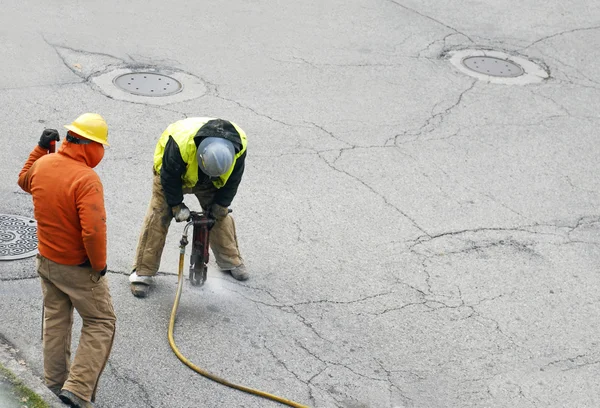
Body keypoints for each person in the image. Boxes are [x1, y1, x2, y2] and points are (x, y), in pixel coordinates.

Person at [17, 113, 115, 408]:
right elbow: (94, 230)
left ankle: (54, 383)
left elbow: (24, 180)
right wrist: (98, 265)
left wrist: (40, 148)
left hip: (46, 260)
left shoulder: (44, 164)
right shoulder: (86, 178)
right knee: (101, 321)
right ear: (88, 145)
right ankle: (77, 390)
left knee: (57, 320)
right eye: (101, 146)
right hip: (77, 268)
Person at [129, 117, 248, 298]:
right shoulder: (180, 144)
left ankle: (230, 260)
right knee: (159, 214)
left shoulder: (239, 146)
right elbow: (169, 178)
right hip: (174, 173)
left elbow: (233, 181)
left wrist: (221, 204)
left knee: (219, 215)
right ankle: (143, 272)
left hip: (211, 180)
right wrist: (176, 205)